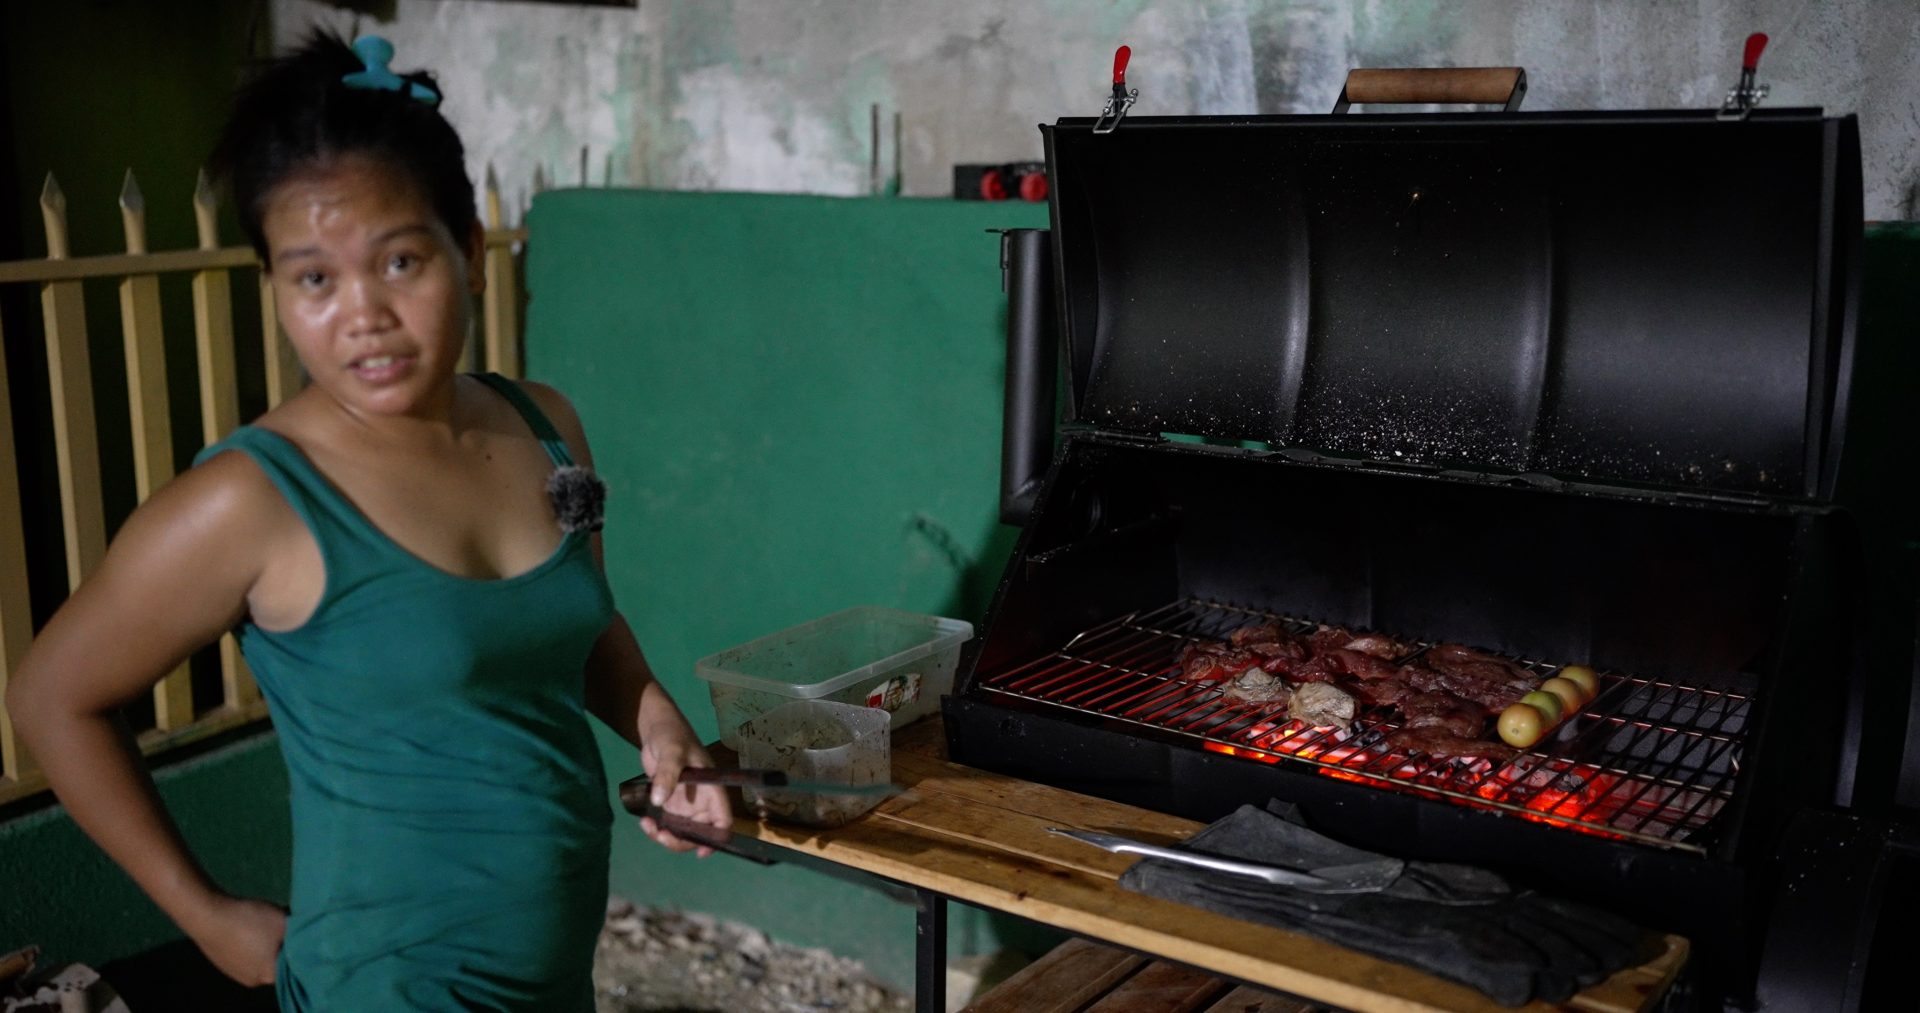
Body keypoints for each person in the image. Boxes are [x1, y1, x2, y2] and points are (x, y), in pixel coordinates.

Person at [4, 29, 731, 1011]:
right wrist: (206, 912)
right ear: (275, 288)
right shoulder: (252, 499)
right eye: (314, 277)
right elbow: (53, 694)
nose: (363, 314)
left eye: (399, 261)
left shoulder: (548, 427)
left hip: (554, 970)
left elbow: (587, 620)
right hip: (387, 984)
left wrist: (659, 724)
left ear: (468, 251)